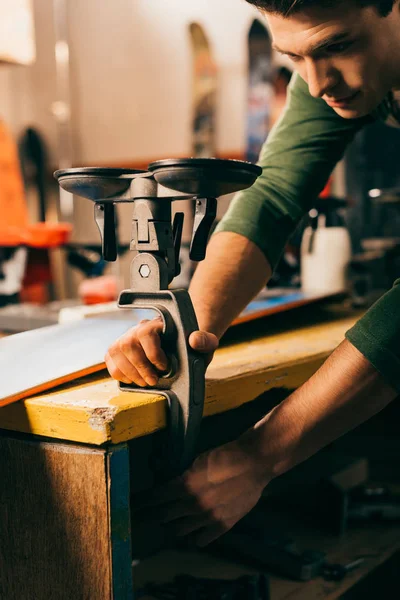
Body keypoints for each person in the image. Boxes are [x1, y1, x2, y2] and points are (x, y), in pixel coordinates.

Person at [105, 0, 400, 548]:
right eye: (293, 57)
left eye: (337, 46)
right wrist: (189, 333)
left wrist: (258, 456)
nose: (317, 83)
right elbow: (272, 199)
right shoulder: (324, 79)